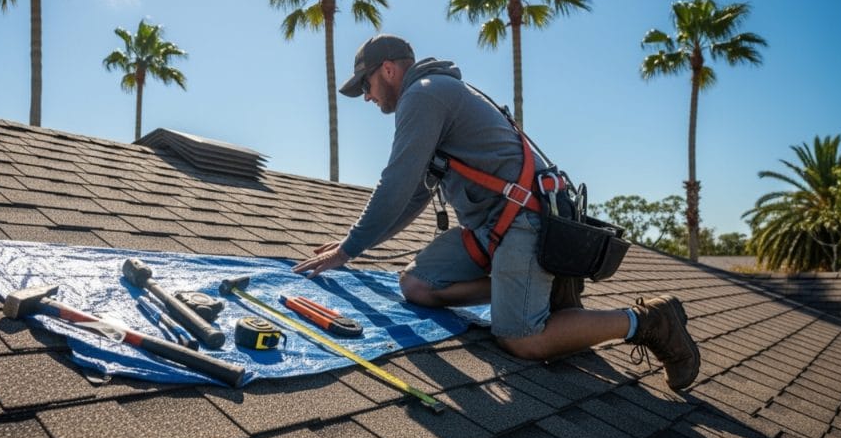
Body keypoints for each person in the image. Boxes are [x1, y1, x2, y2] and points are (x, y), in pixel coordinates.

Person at [292, 34, 700, 391]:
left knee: (521, 338)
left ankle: (647, 320)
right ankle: (541, 289)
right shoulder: (434, 93)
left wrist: (347, 250)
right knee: (417, 285)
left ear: (388, 70)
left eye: (366, 84)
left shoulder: (423, 95)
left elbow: (395, 183)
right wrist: (352, 246)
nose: (366, 95)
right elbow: (413, 195)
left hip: (528, 221)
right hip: (494, 228)